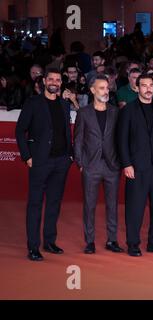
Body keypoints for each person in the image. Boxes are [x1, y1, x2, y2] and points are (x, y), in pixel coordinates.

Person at [15, 68, 73, 261]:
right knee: (35, 204)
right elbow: (20, 131)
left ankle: (49, 242)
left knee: (54, 204)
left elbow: (66, 131)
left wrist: (69, 155)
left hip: (61, 161)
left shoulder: (64, 105)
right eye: (51, 79)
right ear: (44, 82)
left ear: (60, 83)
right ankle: (33, 247)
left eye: (57, 79)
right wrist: (27, 156)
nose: (54, 82)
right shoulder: (33, 103)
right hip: (40, 161)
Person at [117, 74, 153, 257]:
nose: (148, 89)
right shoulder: (128, 110)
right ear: (137, 88)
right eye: (144, 85)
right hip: (136, 168)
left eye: (150, 85)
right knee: (135, 208)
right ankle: (133, 244)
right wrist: (127, 164)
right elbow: (121, 140)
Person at [73, 75, 123, 254]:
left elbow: (120, 138)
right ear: (92, 90)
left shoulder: (115, 112)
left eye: (107, 88)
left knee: (112, 205)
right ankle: (90, 241)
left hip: (112, 166)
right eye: (101, 88)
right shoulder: (83, 113)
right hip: (91, 165)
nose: (106, 91)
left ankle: (112, 240)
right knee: (89, 205)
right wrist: (80, 162)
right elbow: (78, 140)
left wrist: (120, 162)